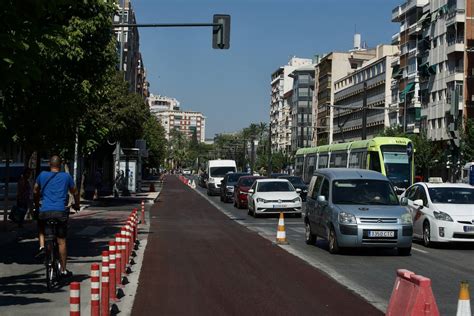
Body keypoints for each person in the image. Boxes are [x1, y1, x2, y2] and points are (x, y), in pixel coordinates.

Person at [33, 155, 79, 278]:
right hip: (60, 212)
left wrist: (37, 204)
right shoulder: (66, 177)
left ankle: (43, 247)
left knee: (42, 227)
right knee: (61, 242)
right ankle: (63, 270)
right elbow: (75, 192)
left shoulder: (42, 175)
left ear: (49, 164)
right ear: (61, 165)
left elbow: (35, 191)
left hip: (45, 211)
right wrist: (77, 205)